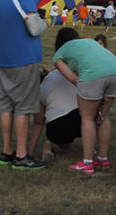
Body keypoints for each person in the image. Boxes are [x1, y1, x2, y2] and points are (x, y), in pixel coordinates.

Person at [0, 0, 46, 170]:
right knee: (23, 107)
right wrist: (44, 23)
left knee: (6, 105)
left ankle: (7, 151)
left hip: (4, 59)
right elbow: (33, 28)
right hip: (23, 58)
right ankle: (22, 155)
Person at [53, 26, 116, 175]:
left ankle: (87, 162)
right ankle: (102, 159)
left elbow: (74, 79)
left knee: (87, 118)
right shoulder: (89, 41)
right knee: (103, 116)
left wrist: (88, 89)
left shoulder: (59, 54)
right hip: (115, 71)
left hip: (93, 74)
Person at [29, 28, 82, 163]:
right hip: (82, 117)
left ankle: (51, 145)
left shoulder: (46, 82)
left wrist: (30, 150)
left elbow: (38, 121)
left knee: (61, 148)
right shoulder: (83, 73)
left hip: (59, 124)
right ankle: (96, 152)